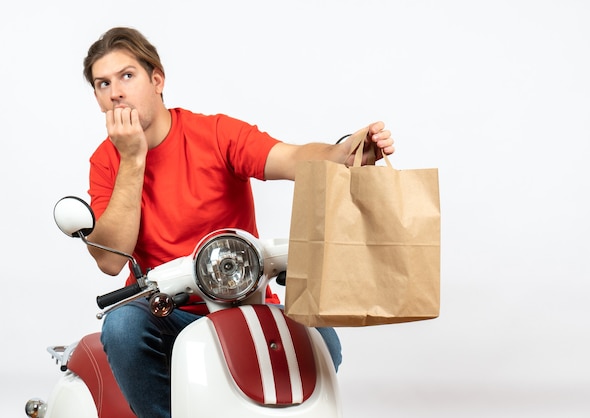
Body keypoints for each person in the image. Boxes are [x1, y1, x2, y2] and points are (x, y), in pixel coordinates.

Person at [82, 26, 395, 418]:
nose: (116, 92)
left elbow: (290, 157)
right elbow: (111, 260)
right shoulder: (105, 160)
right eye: (102, 84)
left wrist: (344, 152)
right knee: (121, 327)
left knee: (324, 344)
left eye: (127, 76)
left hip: (241, 299)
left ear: (157, 79)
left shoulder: (212, 134)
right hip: (164, 309)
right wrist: (132, 159)